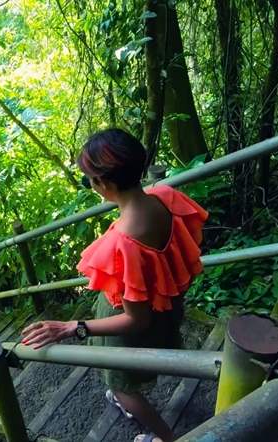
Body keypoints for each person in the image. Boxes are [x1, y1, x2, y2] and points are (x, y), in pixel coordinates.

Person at [20, 128, 208, 442]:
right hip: (164, 305)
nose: (90, 185)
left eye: (88, 180)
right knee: (140, 367)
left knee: (121, 385)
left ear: (104, 184)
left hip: (131, 323)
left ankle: (166, 438)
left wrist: (71, 328)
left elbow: (137, 319)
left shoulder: (124, 242)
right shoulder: (165, 197)